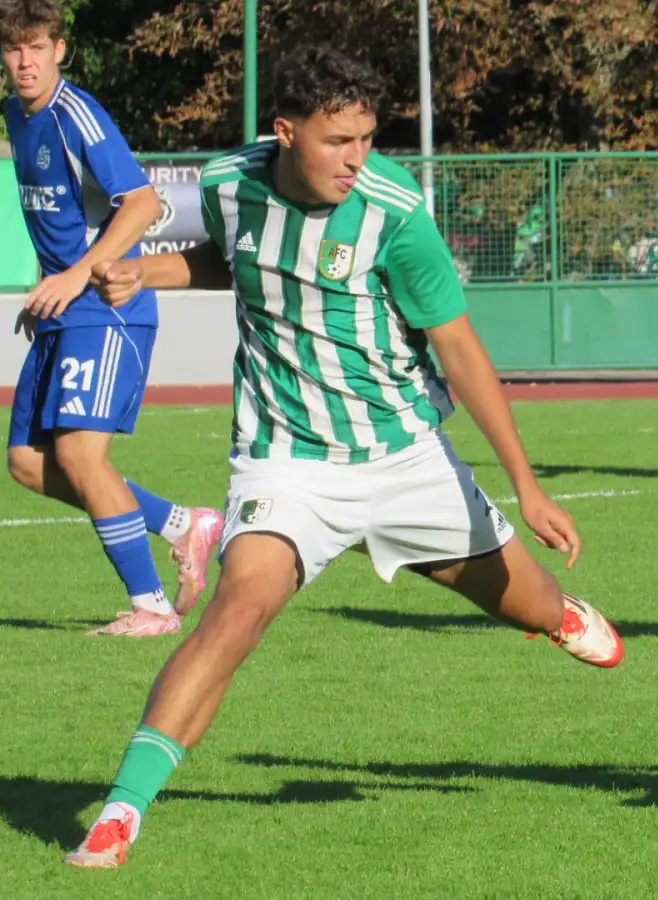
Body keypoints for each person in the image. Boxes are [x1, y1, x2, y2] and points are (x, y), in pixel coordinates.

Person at [63, 45, 624, 869]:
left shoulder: (395, 213)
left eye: (367, 137)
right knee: (236, 610)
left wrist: (526, 487)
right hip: (284, 460)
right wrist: (147, 272)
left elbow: (460, 349)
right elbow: (237, 259)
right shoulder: (228, 184)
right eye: (339, 141)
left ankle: (560, 613)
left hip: (405, 458)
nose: (358, 158)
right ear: (285, 133)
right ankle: (120, 812)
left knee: (532, 605)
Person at [2, 0, 222, 637]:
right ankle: (184, 524)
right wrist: (50, 291)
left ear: (60, 50)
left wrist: (75, 277)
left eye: (37, 47)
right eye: (14, 49)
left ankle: (150, 607)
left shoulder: (78, 116)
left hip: (105, 307)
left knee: (79, 455)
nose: (25, 61)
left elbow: (145, 203)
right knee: (24, 461)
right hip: (62, 313)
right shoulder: (17, 117)